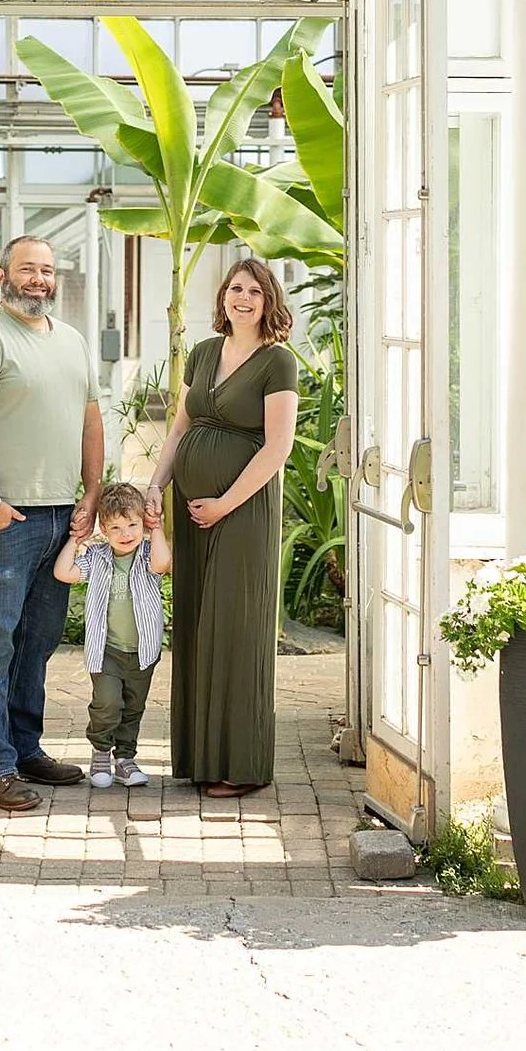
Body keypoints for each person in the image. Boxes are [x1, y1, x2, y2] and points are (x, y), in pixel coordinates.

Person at [0, 235, 106, 813]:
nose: (39, 279)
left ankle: (27, 749)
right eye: (27, 269)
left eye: (47, 271)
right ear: (2, 276)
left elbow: (90, 421)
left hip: (63, 515)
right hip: (2, 519)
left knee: (36, 642)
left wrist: (92, 492)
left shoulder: (73, 342)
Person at [145, 257, 300, 797]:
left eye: (255, 291)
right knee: (196, 623)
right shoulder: (204, 353)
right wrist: (155, 485)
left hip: (243, 510)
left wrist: (226, 503)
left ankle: (241, 764)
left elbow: (277, 447)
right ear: (223, 297)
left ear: (268, 301)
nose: (243, 298)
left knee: (234, 629)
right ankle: (199, 758)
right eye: (236, 288)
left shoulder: (277, 362)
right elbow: (180, 428)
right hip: (195, 511)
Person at [52, 480, 171, 789]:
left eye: (132, 525)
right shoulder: (98, 557)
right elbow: (63, 572)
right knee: (107, 703)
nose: (126, 534)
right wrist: (76, 539)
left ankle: (125, 760)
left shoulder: (146, 554)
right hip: (107, 650)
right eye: (116, 528)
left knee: (133, 708)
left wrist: (155, 528)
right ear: (103, 529)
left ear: (142, 524)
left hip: (142, 651)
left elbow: (163, 562)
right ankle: (102, 751)